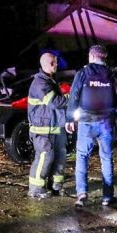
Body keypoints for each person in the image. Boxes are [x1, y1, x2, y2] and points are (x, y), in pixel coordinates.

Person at [65, 44, 117, 208]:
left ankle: (81, 194)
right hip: (106, 123)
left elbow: (74, 96)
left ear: (91, 57)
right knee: (107, 158)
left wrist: (69, 119)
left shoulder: (82, 74)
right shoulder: (112, 75)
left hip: (86, 122)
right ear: (104, 58)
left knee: (81, 157)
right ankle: (107, 196)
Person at [26, 52, 69, 199]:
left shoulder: (50, 80)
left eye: (56, 62)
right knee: (45, 157)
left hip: (55, 128)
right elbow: (55, 103)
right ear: (46, 64)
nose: (56, 65)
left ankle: (56, 186)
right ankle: (36, 189)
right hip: (43, 130)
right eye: (53, 63)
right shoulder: (40, 83)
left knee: (60, 157)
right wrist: (71, 99)